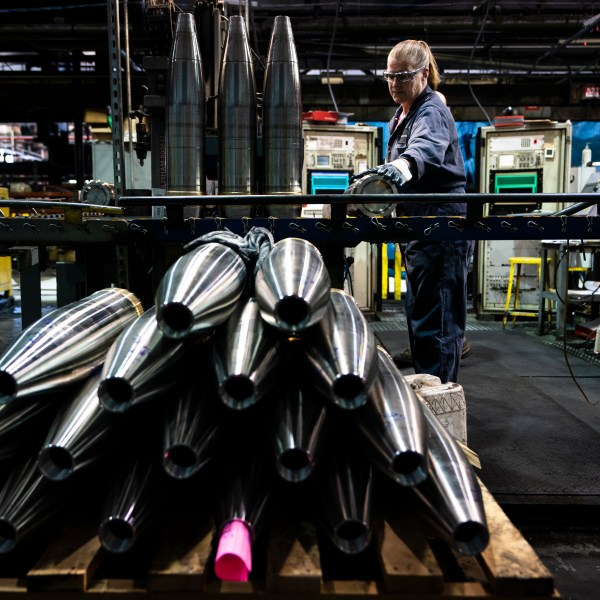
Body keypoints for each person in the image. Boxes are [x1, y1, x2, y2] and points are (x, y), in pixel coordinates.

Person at [352, 39, 473, 384]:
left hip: (441, 230)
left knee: (440, 324)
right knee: (422, 319)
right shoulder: (402, 114)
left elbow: (426, 149)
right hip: (419, 231)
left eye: (402, 77)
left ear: (422, 75)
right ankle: (427, 394)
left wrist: (402, 166)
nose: (393, 84)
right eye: (388, 77)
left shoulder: (431, 109)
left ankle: (442, 402)